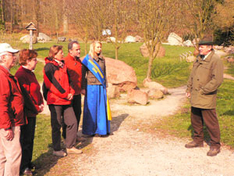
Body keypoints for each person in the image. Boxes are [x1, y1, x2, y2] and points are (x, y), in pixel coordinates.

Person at [185, 37, 224, 156]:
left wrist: (204, 90)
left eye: (202, 46)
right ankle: (198, 140)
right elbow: (192, 75)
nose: (200, 48)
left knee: (210, 122)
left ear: (210, 47)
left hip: (206, 95)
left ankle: (215, 145)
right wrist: (188, 89)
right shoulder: (199, 58)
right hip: (195, 95)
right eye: (200, 46)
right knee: (195, 119)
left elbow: (217, 80)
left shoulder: (215, 60)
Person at [43, 45, 82, 157]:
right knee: (56, 125)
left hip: (66, 100)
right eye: (60, 52)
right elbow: (52, 85)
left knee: (72, 122)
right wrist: (65, 94)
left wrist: (71, 91)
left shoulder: (63, 65)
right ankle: (56, 149)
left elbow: (69, 80)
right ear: (54, 54)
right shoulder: (49, 67)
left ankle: (70, 146)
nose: (63, 54)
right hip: (55, 101)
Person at [15, 49, 44, 175]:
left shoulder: (30, 73)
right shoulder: (21, 74)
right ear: (27, 61)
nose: (36, 62)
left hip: (33, 111)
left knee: (30, 138)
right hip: (26, 112)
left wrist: (41, 101)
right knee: (25, 139)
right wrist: (35, 107)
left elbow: (36, 89)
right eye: (34, 60)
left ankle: (28, 161)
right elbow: (26, 96)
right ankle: (23, 166)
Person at [0, 43, 25, 175]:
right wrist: (7, 126)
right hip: (9, 122)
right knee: (14, 156)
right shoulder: (2, 76)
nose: (14, 57)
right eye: (11, 55)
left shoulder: (5, 74)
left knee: (3, 156)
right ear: (3, 57)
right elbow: (2, 103)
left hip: (7, 121)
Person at [81, 41, 111, 137]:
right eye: (97, 47)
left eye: (100, 47)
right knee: (91, 108)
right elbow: (82, 76)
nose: (99, 49)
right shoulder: (87, 60)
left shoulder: (102, 59)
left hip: (100, 86)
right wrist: (83, 87)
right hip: (91, 87)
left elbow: (104, 73)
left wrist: (105, 85)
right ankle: (90, 130)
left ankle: (102, 130)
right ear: (93, 48)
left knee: (101, 108)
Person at [64, 41, 85, 142]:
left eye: (79, 49)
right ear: (70, 51)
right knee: (68, 118)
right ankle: (66, 138)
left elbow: (82, 76)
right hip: (69, 94)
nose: (79, 51)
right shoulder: (65, 62)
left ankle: (74, 135)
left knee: (78, 114)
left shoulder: (79, 61)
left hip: (77, 93)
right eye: (77, 49)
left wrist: (82, 88)